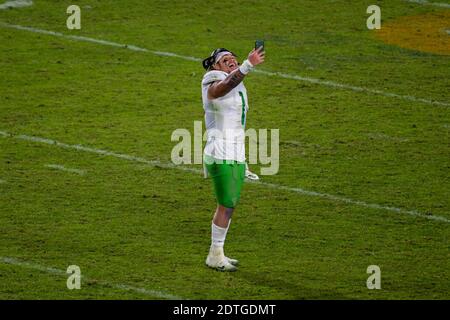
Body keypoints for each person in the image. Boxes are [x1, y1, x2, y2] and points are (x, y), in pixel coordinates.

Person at [201, 46, 265, 271]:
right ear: (215, 66)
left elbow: (237, 126)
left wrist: (243, 159)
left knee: (229, 205)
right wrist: (247, 65)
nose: (230, 61)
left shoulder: (237, 84)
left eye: (233, 58)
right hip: (220, 152)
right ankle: (214, 255)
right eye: (224, 60)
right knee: (226, 204)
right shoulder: (212, 79)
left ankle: (218, 252)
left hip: (234, 153)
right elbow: (221, 89)